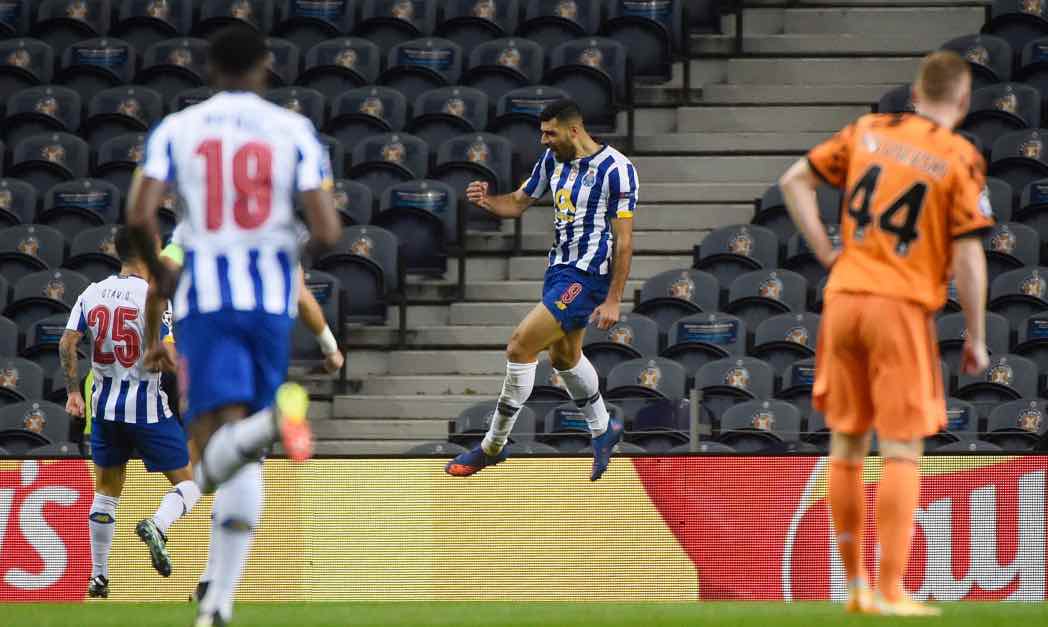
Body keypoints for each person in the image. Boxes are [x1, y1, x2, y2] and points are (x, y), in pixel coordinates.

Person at [125, 26, 339, 627]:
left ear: (209, 68)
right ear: (266, 67)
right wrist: (278, 250)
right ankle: (216, 605)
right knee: (243, 455)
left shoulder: (178, 129)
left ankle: (275, 419)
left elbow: (140, 213)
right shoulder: (294, 130)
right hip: (268, 303)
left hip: (205, 304)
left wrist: (163, 281)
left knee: (215, 443)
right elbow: (326, 230)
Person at [778, 50, 992, 616]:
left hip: (844, 298)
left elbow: (794, 180)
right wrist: (975, 334)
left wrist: (826, 250)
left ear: (914, 93)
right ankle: (893, 591)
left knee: (846, 443)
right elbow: (969, 256)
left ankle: (855, 588)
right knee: (901, 449)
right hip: (899, 306)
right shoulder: (957, 154)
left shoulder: (868, 130)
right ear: (964, 102)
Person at [444, 99, 638, 481]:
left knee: (520, 345)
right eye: (542, 133)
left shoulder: (617, 170)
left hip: (587, 276)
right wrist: (488, 201)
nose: (545, 140)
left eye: (551, 133)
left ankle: (492, 446)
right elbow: (517, 203)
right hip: (558, 270)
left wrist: (614, 298)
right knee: (565, 358)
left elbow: (625, 240)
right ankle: (603, 430)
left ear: (574, 130)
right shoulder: (552, 161)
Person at [156, 223, 345, 603]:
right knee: (232, 467)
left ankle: (212, 584)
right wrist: (330, 349)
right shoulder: (278, 227)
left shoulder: (191, 226)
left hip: (205, 341)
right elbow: (301, 296)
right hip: (262, 341)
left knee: (211, 467)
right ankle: (268, 424)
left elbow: (161, 275)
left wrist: (152, 339)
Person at [60, 227, 201, 599]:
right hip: (147, 409)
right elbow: (165, 353)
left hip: (104, 409)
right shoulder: (154, 298)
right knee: (192, 482)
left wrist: (74, 392)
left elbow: (67, 342)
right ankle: (157, 524)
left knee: (106, 493)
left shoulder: (91, 293)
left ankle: (99, 577)